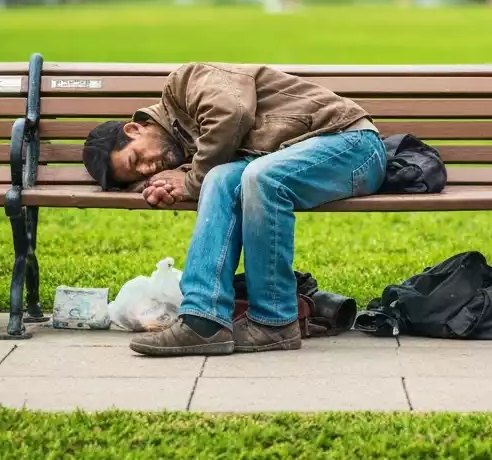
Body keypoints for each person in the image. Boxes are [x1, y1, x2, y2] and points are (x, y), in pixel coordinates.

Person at [82, 63, 386, 358]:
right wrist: (173, 181)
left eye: (137, 160)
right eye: (140, 175)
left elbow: (232, 113)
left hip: (351, 145)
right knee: (219, 179)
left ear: (135, 129)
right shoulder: (195, 153)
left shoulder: (185, 83)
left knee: (260, 177)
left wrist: (190, 180)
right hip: (287, 158)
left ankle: (274, 323)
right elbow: (210, 170)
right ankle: (203, 319)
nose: (149, 168)